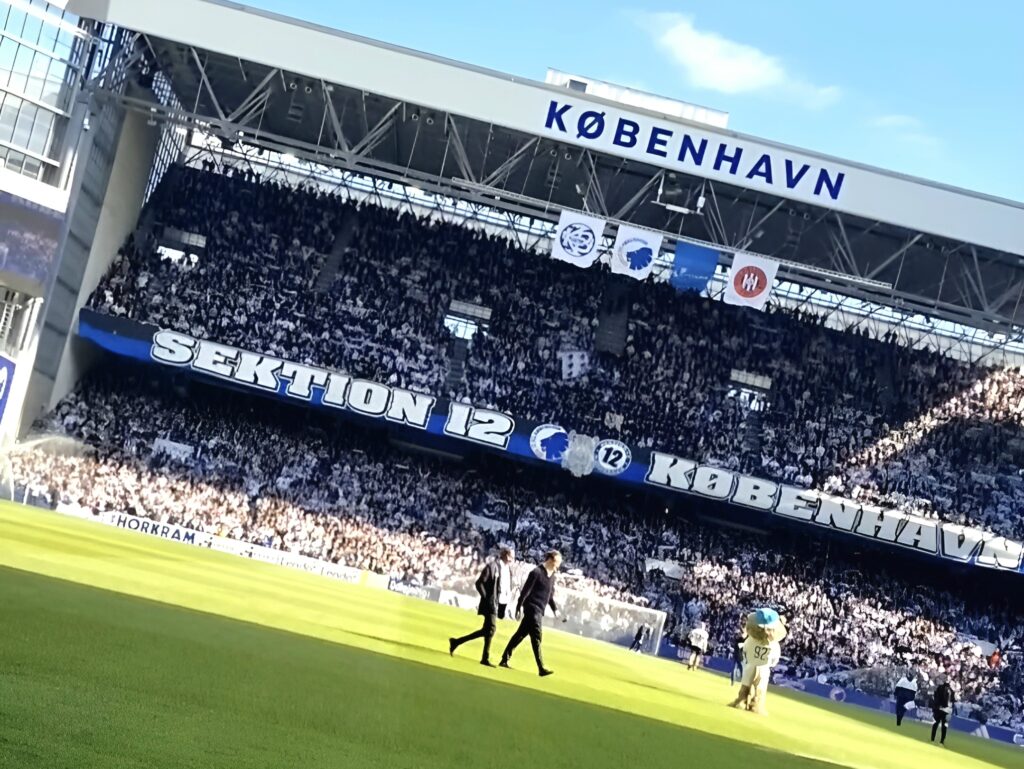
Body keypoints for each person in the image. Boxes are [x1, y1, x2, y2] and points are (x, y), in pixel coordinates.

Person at [500, 550, 564, 677]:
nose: (558, 566)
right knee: (536, 636)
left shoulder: (552, 577)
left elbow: (549, 596)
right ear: (550, 560)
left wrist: (555, 610)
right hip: (531, 608)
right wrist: (519, 606)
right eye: (557, 562)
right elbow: (525, 591)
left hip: (540, 610)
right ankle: (541, 667)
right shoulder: (536, 573)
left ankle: (504, 659)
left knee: (520, 634)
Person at [449, 546, 514, 667]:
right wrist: (487, 598)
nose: (513, 559)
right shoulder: (492, 567)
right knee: (491, 629)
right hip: (491, 603)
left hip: (499, 603)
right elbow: (479, 583)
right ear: (505, 555)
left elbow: (505, 588)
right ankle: (485, 658)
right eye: (511, 556)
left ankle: (456, 642)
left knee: (487, 631)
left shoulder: (508, 570)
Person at [930, 677, 957, 746]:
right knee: (943, 725)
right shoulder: (948, 690)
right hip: (945, 709)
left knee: (937, 724)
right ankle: (940, 741)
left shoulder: (944, 689)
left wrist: (937, 706)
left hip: (942, 709)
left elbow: (936, 697)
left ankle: (934, 740)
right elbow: (952, 700)